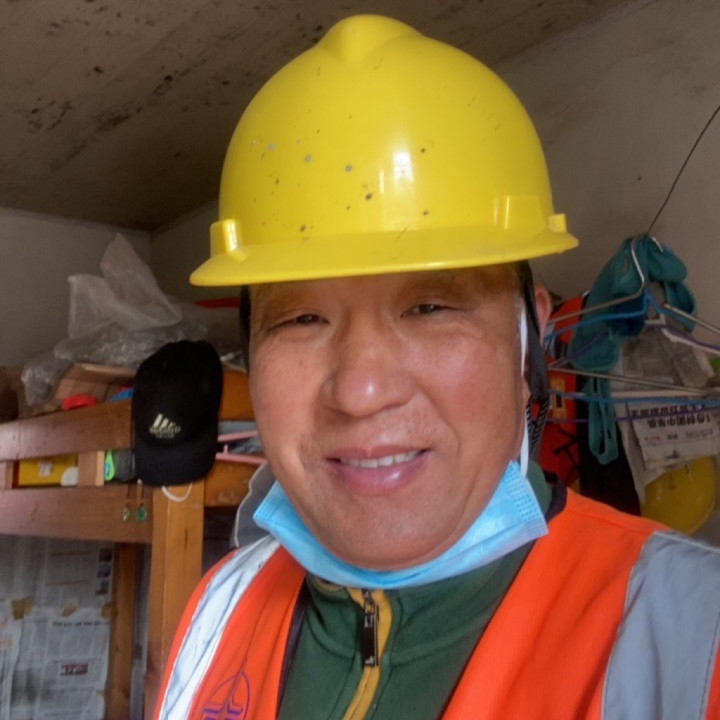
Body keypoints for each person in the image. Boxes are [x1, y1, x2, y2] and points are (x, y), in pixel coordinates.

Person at [153, 14, 720, 720]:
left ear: (530, 341)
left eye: (430, 308)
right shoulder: (216, 615)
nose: (361, 391)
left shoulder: (693, 638)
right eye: (301, 319)